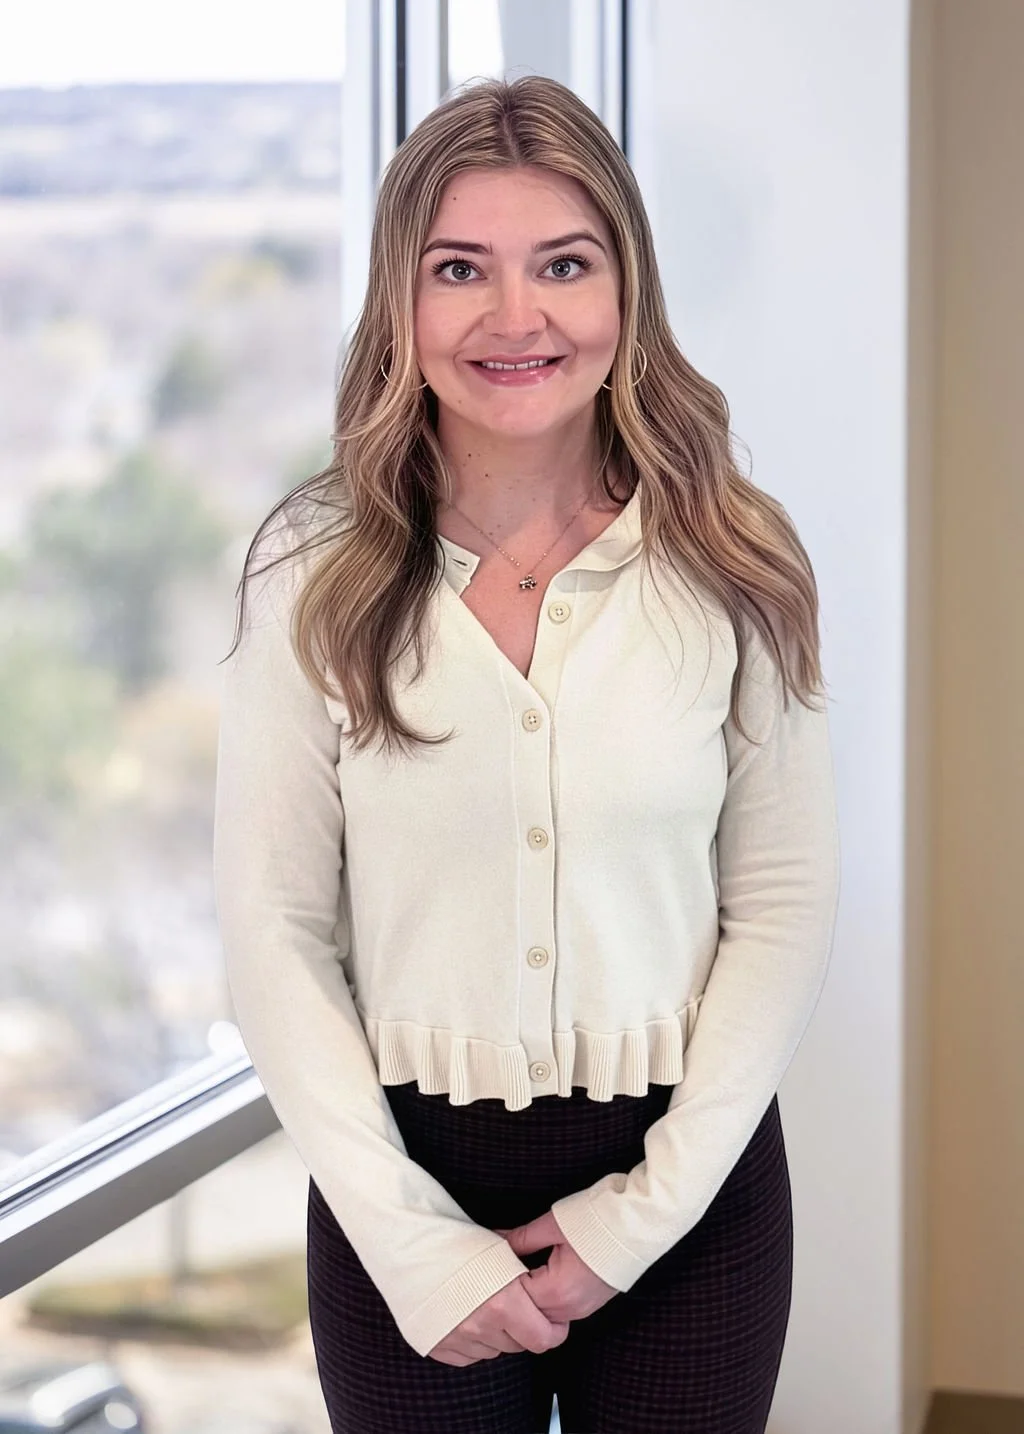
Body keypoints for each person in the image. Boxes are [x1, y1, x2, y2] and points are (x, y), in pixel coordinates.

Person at [213, 73, 841, 1434]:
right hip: (401, 1198)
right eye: (460, 270)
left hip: (694, 1197)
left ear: (626, 288)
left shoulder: (736, 559)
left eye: (563, 263)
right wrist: (409, 1241)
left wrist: (638, 1217)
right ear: (401, 301)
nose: (516, 317)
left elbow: (782, 905)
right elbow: (272, 924)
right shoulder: (308, 570)